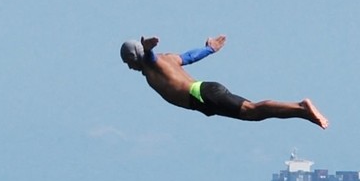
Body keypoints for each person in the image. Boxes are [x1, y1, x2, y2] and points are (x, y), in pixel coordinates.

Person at [120, 35, 329, 126]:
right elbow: (190, 57)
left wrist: (147, 47)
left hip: (201, 94)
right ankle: (302, 113)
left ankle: (301, 107)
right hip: (204, 94)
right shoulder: (170, 59)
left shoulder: (151, 65)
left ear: (133, 57)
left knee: (253, 110)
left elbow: (149, 56)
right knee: (253, 115)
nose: (129, 68)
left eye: (128, 63)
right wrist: (210, 49)